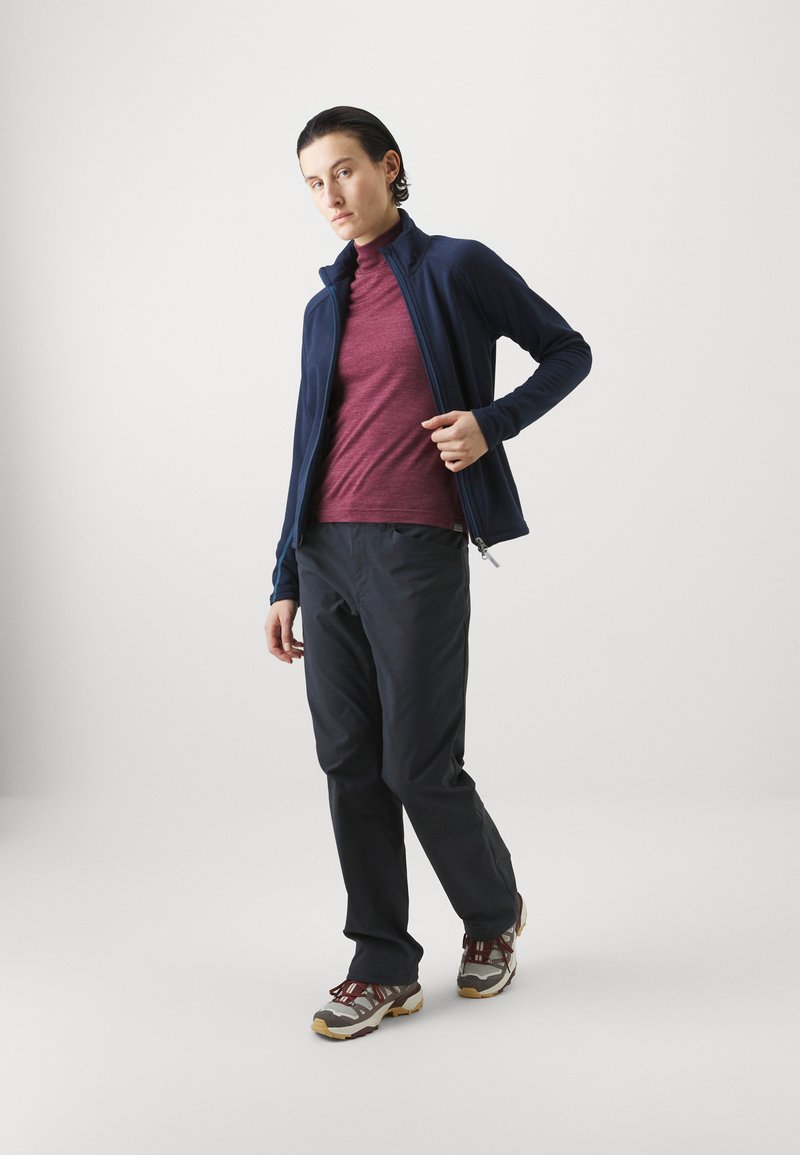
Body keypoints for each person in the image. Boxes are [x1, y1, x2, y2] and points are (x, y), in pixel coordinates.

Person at [264, 106, 592, 1041]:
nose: (330, 195)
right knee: (348, 762)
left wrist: (492, 421)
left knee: (417, 762)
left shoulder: (455, 267)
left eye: (343, 171)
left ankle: (492, 914)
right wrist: (284, 574)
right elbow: (307, 446)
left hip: (416, 546)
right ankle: (382, 963)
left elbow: (568, 349)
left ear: (388, 165)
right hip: (326, 550)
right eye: (313, 183)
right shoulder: (323, 309)